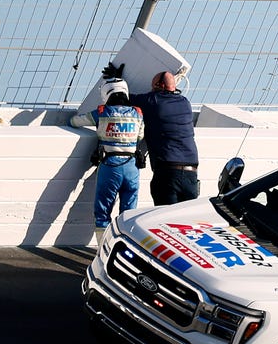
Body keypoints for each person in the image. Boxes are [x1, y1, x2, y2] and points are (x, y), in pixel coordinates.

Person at [71, 67, 145, 245]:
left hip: (110, 166)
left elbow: (74, 121)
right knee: (128, 215)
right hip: (132, 167)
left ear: (106, 94)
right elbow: (140, 136)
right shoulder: (137, 113)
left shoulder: (102, 112)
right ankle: (126, 248)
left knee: (102, 212)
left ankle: (102, 251)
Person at [127, 68, 200, 205]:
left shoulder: (152, 101)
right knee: (186, 223)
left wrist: (116, 79)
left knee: (166, 220)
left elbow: (123, 97)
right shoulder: (185, 102)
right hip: (191, 173)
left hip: (168, 172)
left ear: (159, 86)